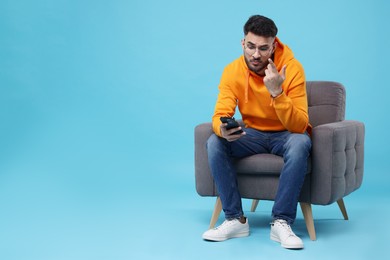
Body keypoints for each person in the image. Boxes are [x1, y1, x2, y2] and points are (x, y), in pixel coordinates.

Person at [202, 15, 312, 249]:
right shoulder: (232, 71)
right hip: (251, 135)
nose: (256, 54)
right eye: (251, 46)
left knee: (301, 142)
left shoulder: (292, 69)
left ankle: (281, 221)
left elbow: (300, 126)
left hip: (285, 135)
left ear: (273, 46)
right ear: (243, 43)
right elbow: (219, 113)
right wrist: (222, 129)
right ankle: (235, 219)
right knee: (214, 142)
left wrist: (277, 93)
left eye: (263, 48)